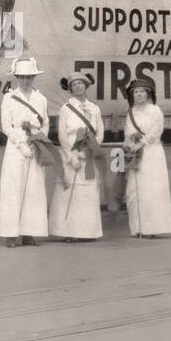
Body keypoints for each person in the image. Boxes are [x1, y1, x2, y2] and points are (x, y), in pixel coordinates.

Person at [0, 57, 49, 248]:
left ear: (34, 77)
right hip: (16, 148)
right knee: (13, 189)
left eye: (30, 77)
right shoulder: (9, 98)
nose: (26, 81)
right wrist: (21, 143)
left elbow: (45, 123)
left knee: (33, 190)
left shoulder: (40, 99)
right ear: (17, 77)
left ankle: (30, 233)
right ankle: (11, 234)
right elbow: (6, 126)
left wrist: (37, 139)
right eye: (22, 77)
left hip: (35, 146)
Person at [49, 72, 105, 241]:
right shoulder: (66, 108)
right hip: (70, 153)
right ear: (70, 89)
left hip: (88, 152)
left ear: (86, 86)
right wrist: (71, 154)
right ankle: (69, 232)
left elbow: (100, 132)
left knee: (87, 191)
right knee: (70, 191)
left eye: (80, 83)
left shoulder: (94, 108)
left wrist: (90, 148)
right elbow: (62, 134)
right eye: (74, 85)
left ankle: (88, 232)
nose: (78, 87)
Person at [123, 77, 171, 238]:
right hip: (135, 153)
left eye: (141, 92)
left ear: (148, 94)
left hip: (152, 153)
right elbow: (127, 132)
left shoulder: (155, 110)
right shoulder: (130, 112)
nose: (138, 95)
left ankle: (153, 228)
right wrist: (127, 145)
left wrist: (141, 143)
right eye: (136, 92)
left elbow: (156, 131)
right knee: (133, 190)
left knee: (151, 189)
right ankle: (138, 228)